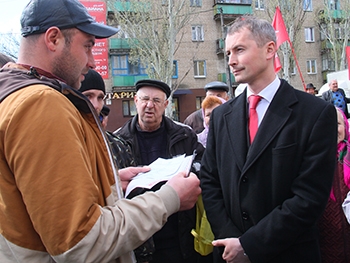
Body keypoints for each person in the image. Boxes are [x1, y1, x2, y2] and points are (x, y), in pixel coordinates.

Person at [0, 1, 201, 263]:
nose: (93, 62)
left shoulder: (13, 94)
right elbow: (81, 242)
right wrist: (169, 199)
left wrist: (110, 183)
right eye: (88, 46)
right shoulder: (40, 103)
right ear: (53, 39)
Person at [200, 15, 337, 263]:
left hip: (289, 253)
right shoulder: (221, 116)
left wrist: (250, 246)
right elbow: (210, 181)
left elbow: (309, 197)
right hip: (230, 253)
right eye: (228, 52)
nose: (231, 61)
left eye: (239, 50)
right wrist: (232, 240)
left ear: (269, 49)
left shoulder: (314, 114)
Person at [115, 79, 205, 263]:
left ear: (165, 105)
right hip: (138, 235)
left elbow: (205, 165)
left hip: (179, 232)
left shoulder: (185, 135)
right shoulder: (117, 141)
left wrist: (189, 175)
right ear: (135, 101)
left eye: (156, 101)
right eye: (145, 99)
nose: (149, 105)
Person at [79, 69, 136, 169]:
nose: (96, 105)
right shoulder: (66, 142)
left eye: (100, 98)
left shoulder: (118, 145)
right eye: (88, 96)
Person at [318, 107, 350, 262]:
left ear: (345, 126)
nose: (333, 129)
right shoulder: (313, 162)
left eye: (337, 123)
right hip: (327, 243)